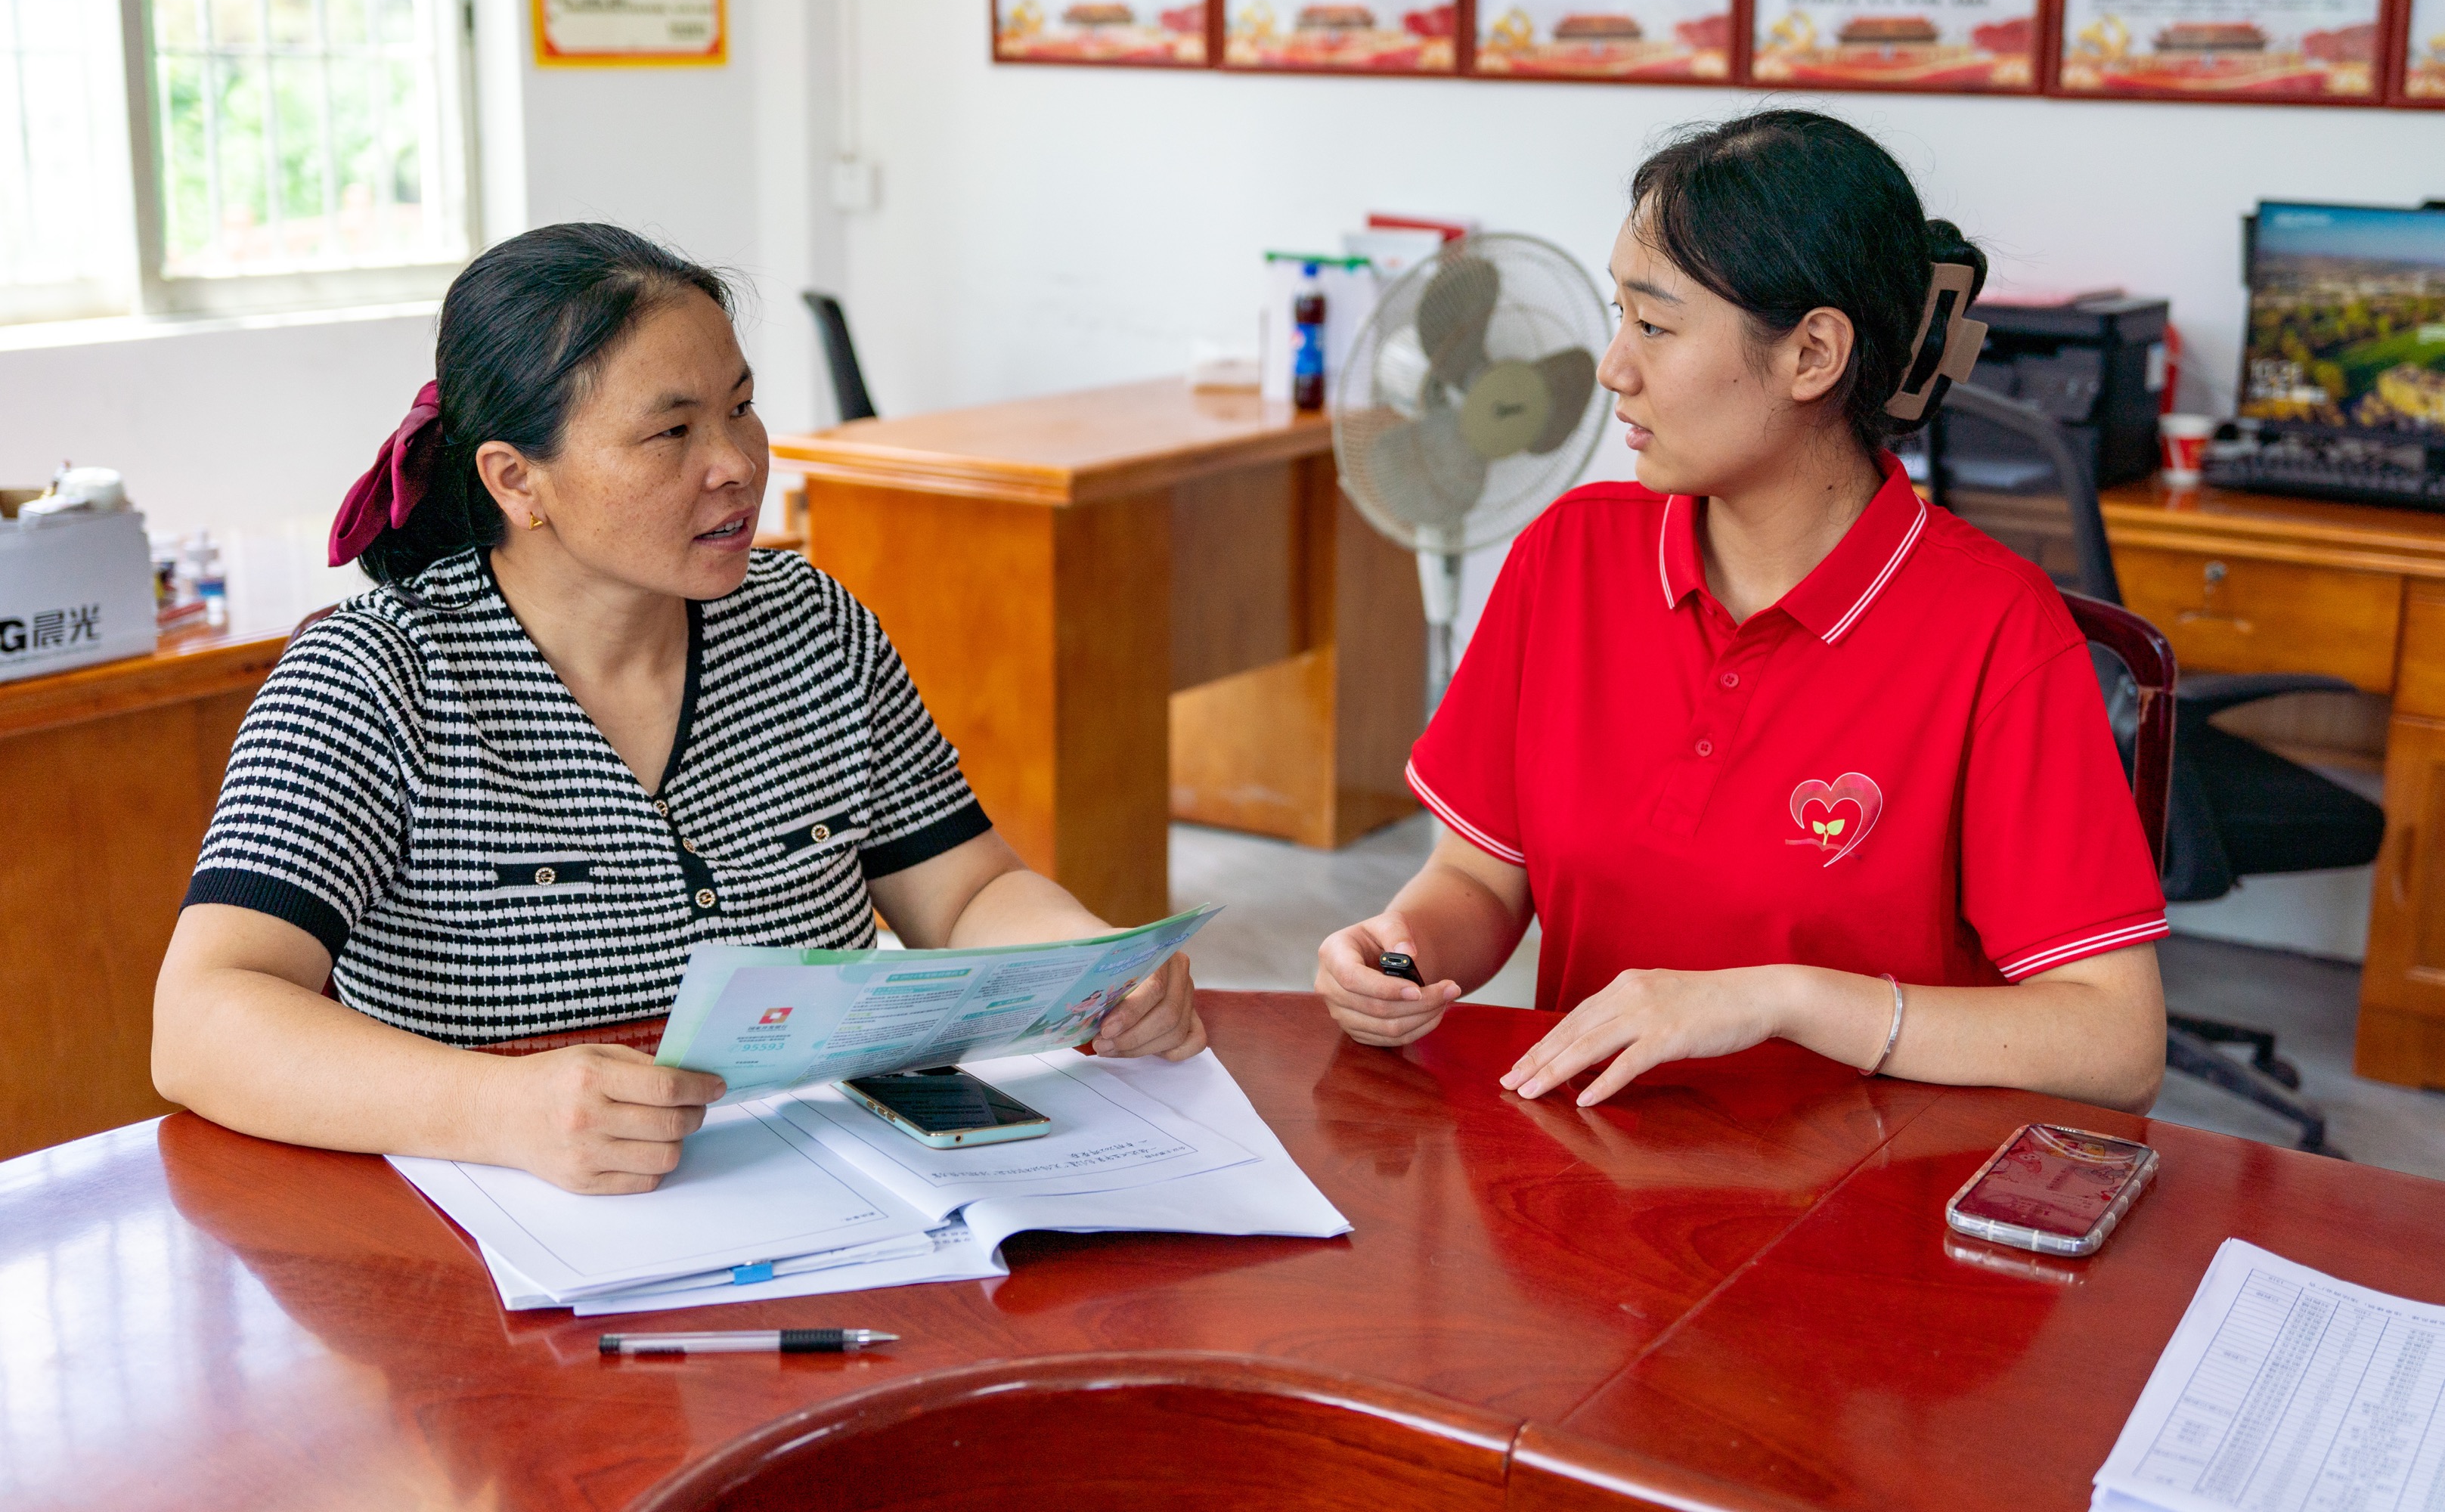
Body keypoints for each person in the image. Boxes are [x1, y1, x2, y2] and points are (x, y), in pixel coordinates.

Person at [153, 223, 1204, 1194]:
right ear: (519, 480)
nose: (738, 463)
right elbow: (203, 1020)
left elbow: (967, 893)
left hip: (828, 1194)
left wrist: (1090, 968)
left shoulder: (810, 627)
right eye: (671, 432)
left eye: (741, 406)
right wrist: (502, 1107)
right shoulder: (374, 680)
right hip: (509, 1219)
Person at [1315, 110, 2168, 1113]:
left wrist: (1786, 1003)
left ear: (1811, 355)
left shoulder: (1996, 630)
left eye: (1655, 325)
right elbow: (1480, 879)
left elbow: (2115, 1039)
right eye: (1616, 315)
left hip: (1856, 1207)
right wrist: (1399, 952)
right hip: (1583, 1176)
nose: (1610, 367)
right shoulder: (1570, 555)